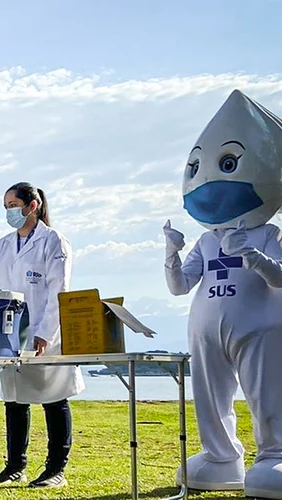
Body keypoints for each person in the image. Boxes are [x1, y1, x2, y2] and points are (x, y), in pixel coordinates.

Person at [164, 89, 282, 498]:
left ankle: (273, 456)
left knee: (265, 392)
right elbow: (180, 286)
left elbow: (281, 279)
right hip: (205, 329)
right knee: (209, 396)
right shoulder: (206, 241)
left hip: (259, 327)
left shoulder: (268, 234)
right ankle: (220, 457)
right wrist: (171, 252)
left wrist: (253, 256)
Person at [0, 182, 85, 488]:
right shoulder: (3, 245)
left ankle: (56, 469)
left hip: (47, 331)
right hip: (9, 335)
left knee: (54, 398)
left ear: (33, 204)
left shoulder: (54, 241)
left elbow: (59, 290)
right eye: (5, 207)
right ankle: (16, 465)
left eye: (13, 205)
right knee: (15, 399)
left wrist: (44, 332)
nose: (9, 212)